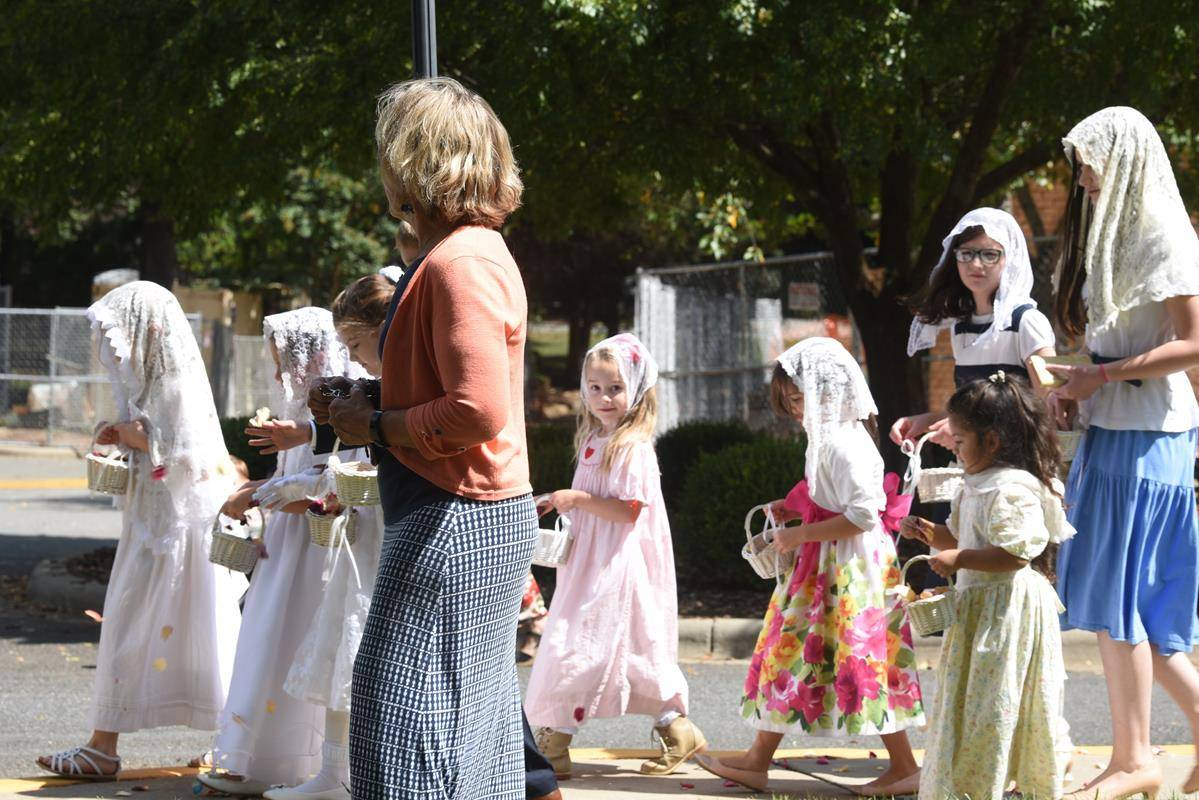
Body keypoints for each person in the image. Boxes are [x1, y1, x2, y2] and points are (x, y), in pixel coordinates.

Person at [312, 77, 544, 800]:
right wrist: (374, 400)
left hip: (456, 514)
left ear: (413, 162)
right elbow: (460, 393)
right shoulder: (475, 251)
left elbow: (477, 411)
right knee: (471, 730)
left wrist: (371, 423)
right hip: (474, 511)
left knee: (399, 728)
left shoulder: (459, 263)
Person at [696, 337, 924, 796]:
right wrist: (796, 509)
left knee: (857, 659)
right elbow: (830, 499)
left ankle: (904, 767)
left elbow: (863, 515)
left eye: (800, 398)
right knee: (794, 650)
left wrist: (798, 535)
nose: (797, 410)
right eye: (789, 401)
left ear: (833, 390)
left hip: (850, 571)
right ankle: (759, 758)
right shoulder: (829, 438)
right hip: (828, 565)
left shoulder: (845, 443)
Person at [1048, 106, 1199, 800]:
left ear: (1122, 157)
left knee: (1120, 605)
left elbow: (1195, 342)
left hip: (1149, 438)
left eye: (1087, 163)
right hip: (1115, 431)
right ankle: (1140, 755)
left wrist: (1100, 377)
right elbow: (1117, 345)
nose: (1080, 179)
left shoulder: (1163, 234)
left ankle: (1134, 761)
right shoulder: (1116, 235)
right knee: (1131, 607)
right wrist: (1077, 383)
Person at [37, 282, 244, 779]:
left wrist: (129, 434)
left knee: (200, 630)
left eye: (115, 336)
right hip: (151, 526)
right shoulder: (146, 386)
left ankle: (231, 739)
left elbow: (186, 452)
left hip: (179, 530)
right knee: (132, 625)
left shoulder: (173, 384)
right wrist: (123, 440)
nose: (109, 349)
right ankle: (104, 743)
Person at [198, 308, 366, 796]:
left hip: (319, 552)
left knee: (296, 636)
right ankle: (260, 755)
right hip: (288, 546)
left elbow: (334, 483)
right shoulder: (299, 415)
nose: (277, 375)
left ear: (313, 355)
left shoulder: (341, 410)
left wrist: (260, 493)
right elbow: (290, 478)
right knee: (268, 637)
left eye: (281, 363)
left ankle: (311, 760)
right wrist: (264, 489)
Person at [525, 333, 704, 778]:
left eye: (615, 388)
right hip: (593, 558)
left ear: (638, 390)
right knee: (622, 646)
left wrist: (577, 498)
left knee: (576, 641)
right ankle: (675, 728)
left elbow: (626, 511)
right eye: (595, 387)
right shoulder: (595, 438)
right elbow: (595, 499)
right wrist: (561, 499)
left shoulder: (632, 446)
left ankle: (555, 739)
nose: (604, 398)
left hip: (618, 563)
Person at [901, 373, 1073, 800]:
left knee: (996, 704)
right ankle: (973, 785)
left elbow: (1015, 554)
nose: (955, 450)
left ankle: (994, 785)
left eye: (960, 442)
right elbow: (963, 539)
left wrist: (958, 560)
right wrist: (930, 534)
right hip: (981, 609)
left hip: (1007, 612)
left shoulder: (1012, 489)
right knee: (975, 703)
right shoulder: (973, 484)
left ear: (992, 441)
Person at [892, 207, 1056, 448]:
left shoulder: (1027, 321)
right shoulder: (960, 327)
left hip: (1019, 469)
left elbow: (1051, 409)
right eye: (966, 253)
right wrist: (925, 422)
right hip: (973, 468)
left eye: (990, 254)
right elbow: (973, 413)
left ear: (1010, 259)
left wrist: (964, 431)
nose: (976, 264)